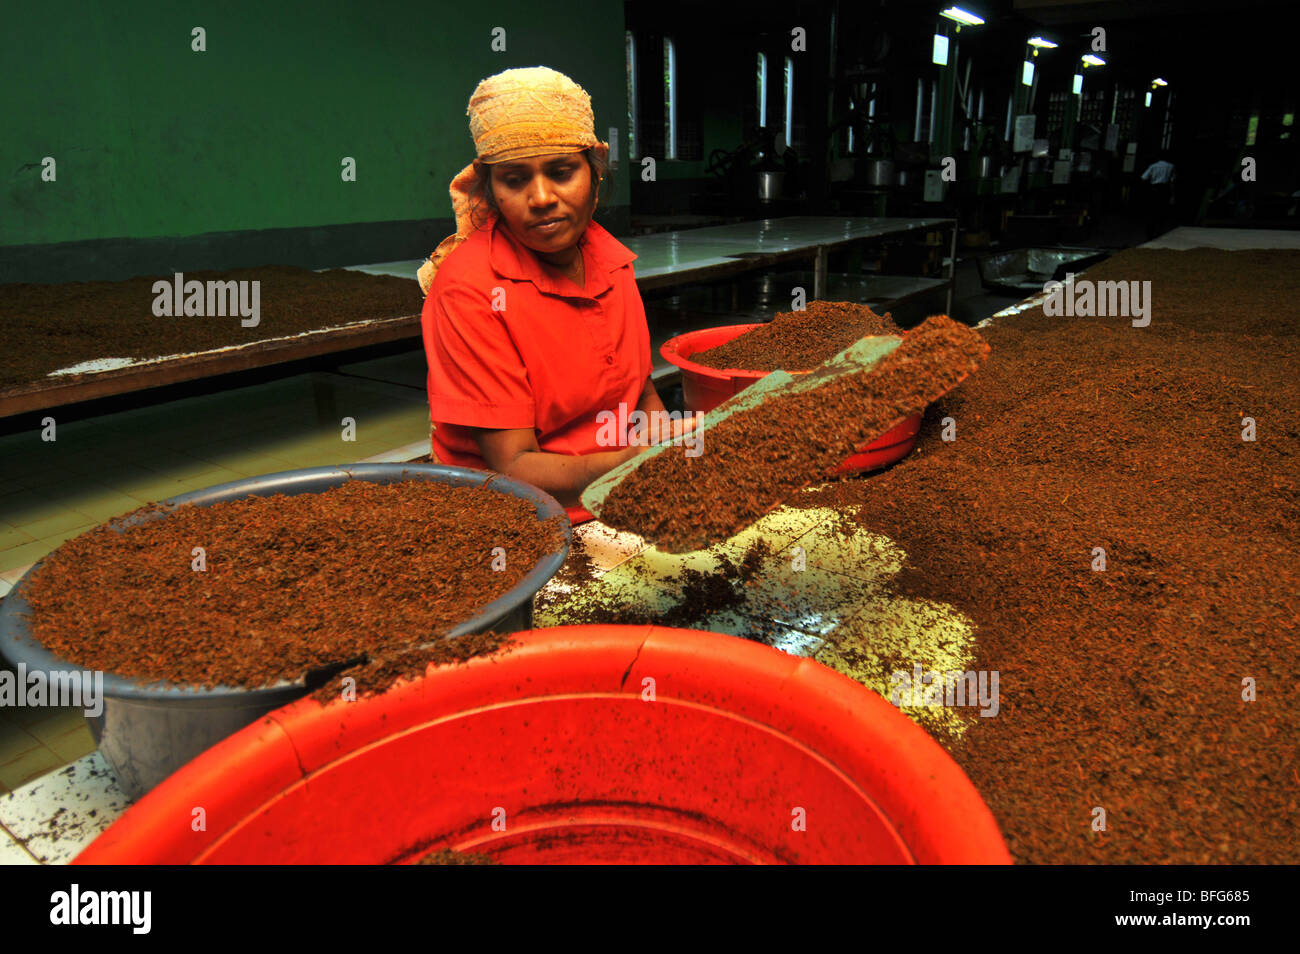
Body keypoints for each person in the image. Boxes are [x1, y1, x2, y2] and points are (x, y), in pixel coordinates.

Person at [417, 67, 686, 520]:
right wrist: (630, 466)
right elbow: (514, 467)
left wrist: (666, 445)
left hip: (621, 483)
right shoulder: (469, 291)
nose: (541, 197)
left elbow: (640, 397)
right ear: (492, 189)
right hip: (519, 513)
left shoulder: (611, 260)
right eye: (515, 180)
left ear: (595, 176)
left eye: (561, 172)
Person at [1139, 154, 1176, 238]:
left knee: (1151, 212)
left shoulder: (1153, 166)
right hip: (1164, 190)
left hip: (1154, 189)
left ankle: (1150, 233)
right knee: (1162, 212)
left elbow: (1143, 178)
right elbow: (1172, 182)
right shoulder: (1171, 166)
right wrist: (1173, 196)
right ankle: (1159, 232)